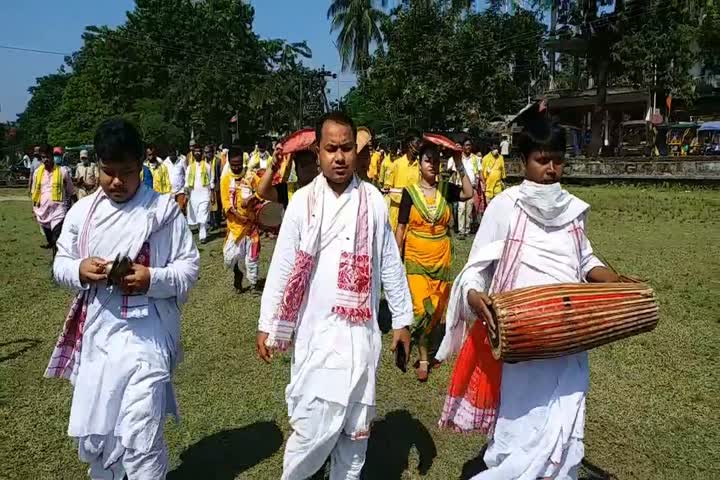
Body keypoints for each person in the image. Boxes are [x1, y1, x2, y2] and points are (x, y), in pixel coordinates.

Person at [436, 116, 621, 479]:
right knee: (518, 430)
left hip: (568, 340)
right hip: (521, 339)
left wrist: (615, 281)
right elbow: (477, 268)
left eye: (557, 159)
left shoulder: (573, 210)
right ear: (524, 162)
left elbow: (583, 258)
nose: (551, 169)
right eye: (542, 159)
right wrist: (474, 296)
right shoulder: (506, 206)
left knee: (565, 425)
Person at [257, 111, 413, 480]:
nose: (340, 157)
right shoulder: (302, 202)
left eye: (347, 148)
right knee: (309, 433)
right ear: (317, 152)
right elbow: (282, 266)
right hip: (316, 336)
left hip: (360, 339)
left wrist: (403, 321)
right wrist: (268, 323)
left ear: (356, 152)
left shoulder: (373, 200)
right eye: (331, 149)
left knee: (355, 440)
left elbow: (389, 260)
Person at [46, 118, 199, 480]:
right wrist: (81, 270)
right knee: (101, 436)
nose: (116, 182)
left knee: (141, 431)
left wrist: (152, 279)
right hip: (99, 337)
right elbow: (60, 266)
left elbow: (189, 269)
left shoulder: (162, 212)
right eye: (108, 172)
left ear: (141, 166)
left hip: (148, 337)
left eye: (127, 172)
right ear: (97, 165)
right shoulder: (82, 213)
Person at [395, 143, 474, 382]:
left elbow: (469, 193)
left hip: (441, 259)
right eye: (428, 160)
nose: (433, 164)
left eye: (437, 160)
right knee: (422, 308)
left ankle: (416, 339)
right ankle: (423, 357)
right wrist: (395, 259)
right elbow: (401, 228)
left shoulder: (444, 188)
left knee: (437, 308)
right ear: (419, 164)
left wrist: (459, 164)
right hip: (415, 258)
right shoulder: (409, 193)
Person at [221, 146, 262, 294]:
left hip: (251, 227)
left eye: (239, 163)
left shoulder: (251, 176)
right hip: (235, 227)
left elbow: (262, 192)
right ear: (229, 163)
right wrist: (240, 217)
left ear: (243, 161)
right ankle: (237, 272)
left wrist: (251, 198)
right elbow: (226, 205)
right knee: (229, 258)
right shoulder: (225, 179)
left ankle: (253, 284)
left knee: (252, 257)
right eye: (234, 164)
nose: (237, 167)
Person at [31, 145, 75, 256]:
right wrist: (34, 207)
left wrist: (76, 206)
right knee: (50, 239)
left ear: (52, 157)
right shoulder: (37, 173)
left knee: (56, 239)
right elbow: (34, 191)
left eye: (48, 157)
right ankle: (53, 248)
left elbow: (71, 191)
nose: (45, 160)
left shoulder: (62, 171)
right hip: (43, 212)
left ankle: (56, 264)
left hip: (58, 211)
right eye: (43, 157)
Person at [385, 134, 422, 231]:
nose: (418, 148)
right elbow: (387, 188)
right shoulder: (396, 164)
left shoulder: (420, 167)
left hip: (413, 210)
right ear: (409, 145)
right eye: (416, 145)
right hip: (397, 209)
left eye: (419, 145)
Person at [448, 138, 481, 238]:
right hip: (460, 187)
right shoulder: (458, 158)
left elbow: (478, 173)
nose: (468, 147)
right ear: (463, 147)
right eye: (466, 145)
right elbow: (454, 172)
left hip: (471, 188)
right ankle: (461, 230)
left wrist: (477, 186)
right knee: (461, 209)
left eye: (469, 145)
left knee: (469, 209)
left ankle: (467, 229)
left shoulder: (475, 158)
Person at [185, 144, 215, 244]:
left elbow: (211, 180)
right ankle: (202, 229)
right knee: (198, 215)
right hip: (194, 195)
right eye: (195, 151)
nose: (197, 153)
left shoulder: (207, 166)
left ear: (202, 153)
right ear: (193, 154)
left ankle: (203, 236)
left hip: (205, 193)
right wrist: (186, 192)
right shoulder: (189, 168)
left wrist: (212, 194)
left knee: (203, 213)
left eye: (199, 151)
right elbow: (186, 181)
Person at [167, 148, 188, 213]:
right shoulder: (165, 163)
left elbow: (186, 174)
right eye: (171, 155)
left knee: (181, 209)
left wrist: (186, 188)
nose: (172, 156)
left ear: (176, 154)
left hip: (180, 190)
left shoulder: (182, 161)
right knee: (172, 211)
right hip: (170, 192)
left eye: (174, 154)